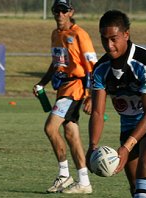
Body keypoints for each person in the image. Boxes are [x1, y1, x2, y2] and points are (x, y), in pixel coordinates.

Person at [86, 10, 146, 198]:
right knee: (136, 186)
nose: (109, 46)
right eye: (104, 39)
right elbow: (97, 113)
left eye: (114, 39)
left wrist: (126, 148)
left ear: (126, 34)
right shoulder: (100, 70)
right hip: (128, 123)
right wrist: (92, 146)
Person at [33, 0, 97, 194]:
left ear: (71, 12)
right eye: (56, 10)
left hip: (76, 88)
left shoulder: (80, 34)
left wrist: (92, 96)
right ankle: (84, 182)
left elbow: (93, 67)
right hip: (63, 88)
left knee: (50, 128)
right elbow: (56, 64)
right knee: (71, 134)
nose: (59, 14)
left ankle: (64, 175)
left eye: (63, 10)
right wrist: (42, 83)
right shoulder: (55, 34)